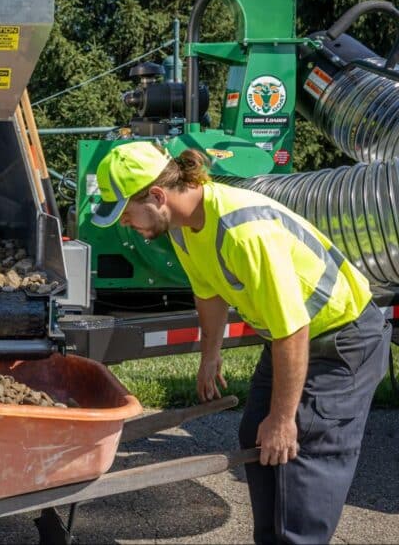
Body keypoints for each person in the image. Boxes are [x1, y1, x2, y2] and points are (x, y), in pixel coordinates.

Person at [91, 141, 391, 544]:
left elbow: (292, 329)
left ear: (158, 196)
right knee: (256, 435)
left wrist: (284, 420)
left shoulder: (244, 232)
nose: (126, 223)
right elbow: (208, 293)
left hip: (341, 342)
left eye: (126, 212)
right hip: (294, 336)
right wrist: (210, 356)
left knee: (301, 455)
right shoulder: (183, 228)